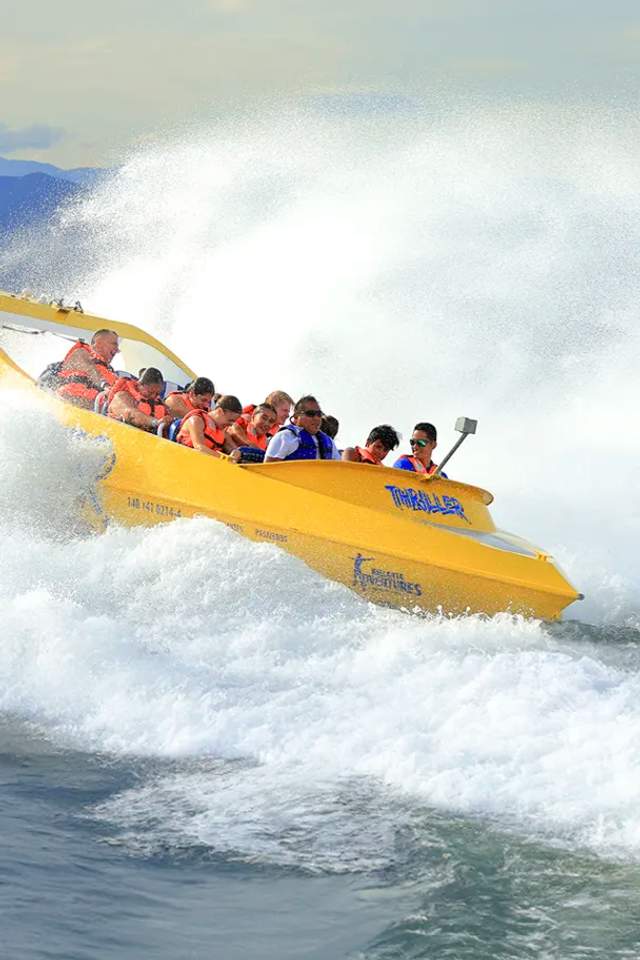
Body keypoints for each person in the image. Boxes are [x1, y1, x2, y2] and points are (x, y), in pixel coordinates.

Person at [264, 395, 341, 462]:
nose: (316, 418)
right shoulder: (285, 437)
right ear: (296, 416)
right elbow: (268, 470)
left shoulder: (329, 442)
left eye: (319, 414)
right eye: (310, 414)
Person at [56, 329, 119, 407]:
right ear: (98, 343)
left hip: (100, 407)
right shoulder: (81, 353)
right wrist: (105, 385)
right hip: (73, 400)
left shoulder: (110, 370)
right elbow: (89, 368)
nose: (117, 349)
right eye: (114, 344)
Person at [107, 367, 173, 433]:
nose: (153, 396)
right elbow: (131, 414)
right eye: (150, 392)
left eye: (157, 393)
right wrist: (156, 422)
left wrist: (168, 420)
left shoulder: (158, 402)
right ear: (139, 384)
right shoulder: (121, 396)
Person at [177, 394, 243, 457]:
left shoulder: (224, 433)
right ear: (220, 411)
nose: (231, 425)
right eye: (230, 420)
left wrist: (236, 453)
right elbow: (199, 447)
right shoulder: (197, 420)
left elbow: (233, 449)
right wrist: (224, 458)